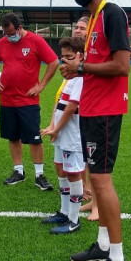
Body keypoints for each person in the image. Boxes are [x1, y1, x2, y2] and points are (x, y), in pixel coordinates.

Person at [61, 0, 131, 261]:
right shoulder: (93, 19)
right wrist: (79, 69)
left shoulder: (111, 14)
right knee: (98, 178)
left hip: (105, 110)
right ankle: (104, 245)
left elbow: (122, 65)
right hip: (92, 108)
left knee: (102, 182)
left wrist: (81, 68)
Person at [0, 12, 59, 190]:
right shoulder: (2, 43)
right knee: (13, 137)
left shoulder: (35, 41)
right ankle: (18, 171)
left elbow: (53, 62)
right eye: (6, 34)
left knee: (34, 138)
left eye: (12, 33)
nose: (9, 37)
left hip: (28, 100)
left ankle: (39, 175)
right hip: (7, 100)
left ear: (20, 28)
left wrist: (41, 85)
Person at [41, 36, 86, 234]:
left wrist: (57, 129)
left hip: (72, 135)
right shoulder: (68, 78)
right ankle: (64, 211)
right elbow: (58, 104)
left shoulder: (81, 79)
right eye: (63, 56)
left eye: (69, 57)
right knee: (60, 168)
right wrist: (52, 126)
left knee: (73, 173)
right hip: (61, 133)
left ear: (80, 57)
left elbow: (71, 108)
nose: (64, 61)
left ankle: (74, 220)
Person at [72, 16, 99, 222]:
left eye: (82, 28)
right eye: (76, 27)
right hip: (80, 109)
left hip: (94, 108)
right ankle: (85, 189)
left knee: (94, 157)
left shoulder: (93, 53)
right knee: (81, 151)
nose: (78, 30)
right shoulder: (77, 52)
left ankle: (97, 204)